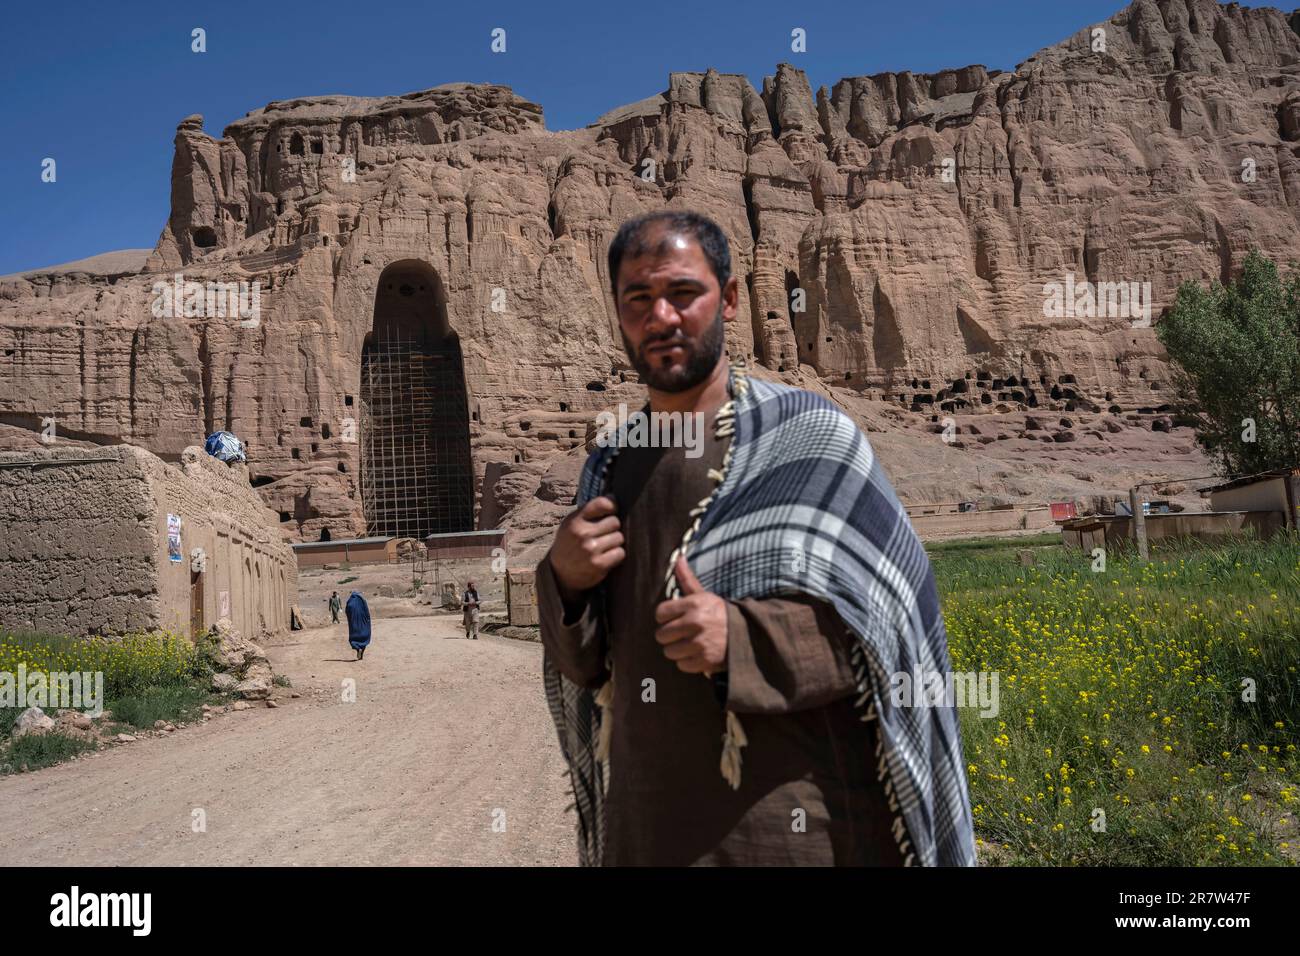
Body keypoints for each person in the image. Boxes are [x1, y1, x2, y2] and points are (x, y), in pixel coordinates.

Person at [537, 210, 975, 867]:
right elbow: (587, 666)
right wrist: (565, 582)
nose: (662, 317)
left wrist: (741, 640)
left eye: (684, 293)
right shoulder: (608, 467)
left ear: (732, 299)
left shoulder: (811, 437)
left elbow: (892, 625)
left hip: (801, 837)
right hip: (646, 835)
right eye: (638, 299)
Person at [344, 590, 371, 661]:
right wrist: (367, 621)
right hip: (363, 625)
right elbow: (367, 613)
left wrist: (351, 619)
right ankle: (361, 655)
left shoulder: (350, 601)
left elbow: (347, 612)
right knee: (364, 640)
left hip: (354, 626)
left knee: (354, 640)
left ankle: (358, 649)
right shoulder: (362, 601)